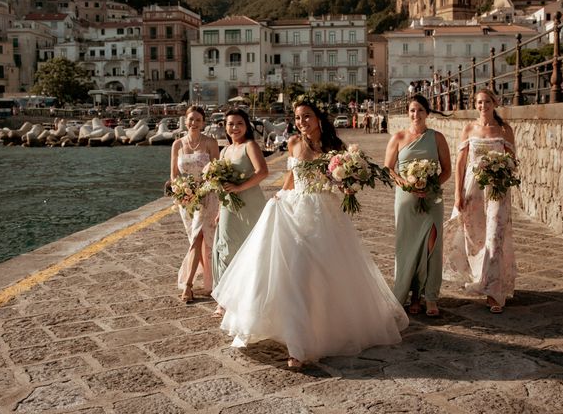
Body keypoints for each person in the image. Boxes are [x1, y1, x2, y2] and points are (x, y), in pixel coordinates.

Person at [212, 97, 409, 368]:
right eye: (297, 118)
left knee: (319, 274)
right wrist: (280, 195)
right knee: (294, 272)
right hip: (294, 210)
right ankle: (297, 345)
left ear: (318, 118)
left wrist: (349, 186)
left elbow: (341, 182)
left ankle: (317, 332)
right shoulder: (293, 143)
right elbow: (290, 179)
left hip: (324, 213)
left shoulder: (334, 147)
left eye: (306, 116)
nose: (301, 122)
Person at [443, 88, 517, 313]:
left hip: (497, 191)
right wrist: (457, 194)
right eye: (478, 102)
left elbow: (513, 162)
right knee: (475, 238)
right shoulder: (469, 129)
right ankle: (481, 277)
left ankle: (495, 292)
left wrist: (502, 172)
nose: (482, 106)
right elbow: (460, 163)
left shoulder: (504, 130)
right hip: (473, 190)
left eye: (486, 102)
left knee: (495, 236)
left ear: (495, 103)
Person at [384, 95, 451, 317]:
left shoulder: (437, 138)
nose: (416, 115)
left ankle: (429, 297)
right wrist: (406, 184)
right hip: (406, 200)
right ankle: (411, 293)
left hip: (432, 199)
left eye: (420, 110)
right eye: (412, 110)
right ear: (408, 113)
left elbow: (447, 170)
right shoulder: (398, 137)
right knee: (408, 248)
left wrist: (430, 186)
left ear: (427, 113)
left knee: (432, 246)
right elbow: (388, 168)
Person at [212, 109, 268, 316]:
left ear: (246, 126)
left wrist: (239, 188)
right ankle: (225, 300)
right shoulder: (224, 151)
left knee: (251, 249)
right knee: (225, 247)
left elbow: (262, 172)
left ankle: (250, 296)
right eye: (230, 124)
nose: (234, 128)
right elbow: (220, 183)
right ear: (225, 127)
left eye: (239, 123)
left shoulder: (250, 146)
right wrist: (219, 208)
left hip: (251, 203)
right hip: (228, 204)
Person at [170, 106, 220, 303]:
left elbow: (216, 172)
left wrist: (204, 189)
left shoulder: (210, 142)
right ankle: (210, 280)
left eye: (198, 120)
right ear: (185, 120)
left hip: (208, 196)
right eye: (191, 119)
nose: (194, 123)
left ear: (203, 122)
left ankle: (188, 285)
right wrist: (180, 191)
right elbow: (174, 174)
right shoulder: (177, 145)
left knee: (199, 238)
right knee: (195, 239)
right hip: (186, 200)